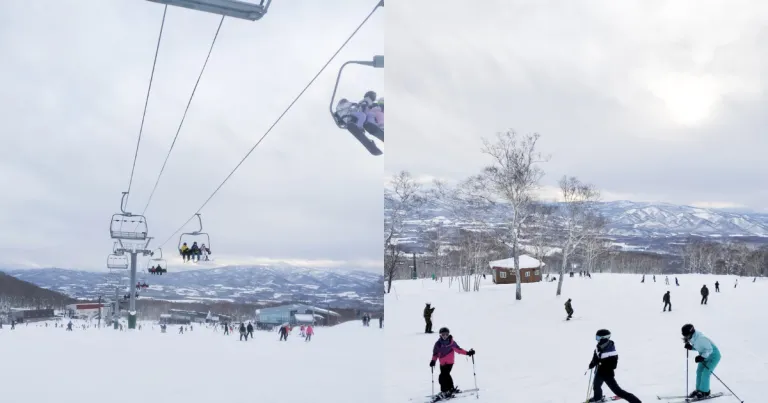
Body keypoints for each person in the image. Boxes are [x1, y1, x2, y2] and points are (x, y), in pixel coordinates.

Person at [587, 329, 642, 403]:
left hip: (607, 374)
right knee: (596, 386)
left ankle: (636, 401)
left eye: (598, 338)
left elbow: (613, 366)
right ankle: (598, 398)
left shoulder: (611, 351)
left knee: (618, 392)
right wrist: (592, 364)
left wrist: (601, 362)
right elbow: (596, 356)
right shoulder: (599, 346)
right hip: (599, 372)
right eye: (597, 337)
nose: (597, 340)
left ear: (604, 338)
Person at [429, 327, 475, 401]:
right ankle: (451, 388)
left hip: (450, 362)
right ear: (440, 335)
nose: (444, 336)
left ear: (448, 334)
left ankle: (445, 391)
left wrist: (468, 353)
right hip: (442, 363)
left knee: (442, 377)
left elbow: (459, 350)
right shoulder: (438, 344)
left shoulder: (451, 342)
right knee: (446, 375)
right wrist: (433, 361)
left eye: (446, 334)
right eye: (443, 334)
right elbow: (435, 354)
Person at [682, 324, 721, 399]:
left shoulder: (701, 338)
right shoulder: (693, 338)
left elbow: (709, 349)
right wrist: (691, 347)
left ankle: (705, 392)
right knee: (699, 372)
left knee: (705, 373)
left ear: (691, 333)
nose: (685, 337)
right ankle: (699, 390)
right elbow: (700, 347)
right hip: (705, 356)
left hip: (713, 356)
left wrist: (702, 357)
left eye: (686, 335)